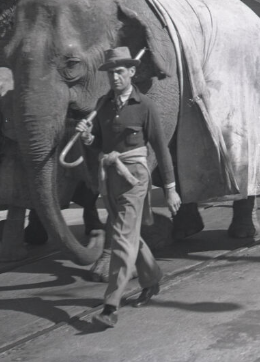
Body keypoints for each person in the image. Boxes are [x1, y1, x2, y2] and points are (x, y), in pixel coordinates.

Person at [76, 47, 182, 329]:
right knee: (130, 234)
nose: (114, 78)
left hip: (135, 177)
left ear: (132, 72)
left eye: (120, 72)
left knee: (121, 237)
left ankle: (110, 305)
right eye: (110, 73)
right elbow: (99, 143)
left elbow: (160, 146)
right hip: (110, 176)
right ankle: (153, 278)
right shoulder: (103, 104)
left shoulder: (144, 105)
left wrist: (170, 188)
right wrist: (88, 139)